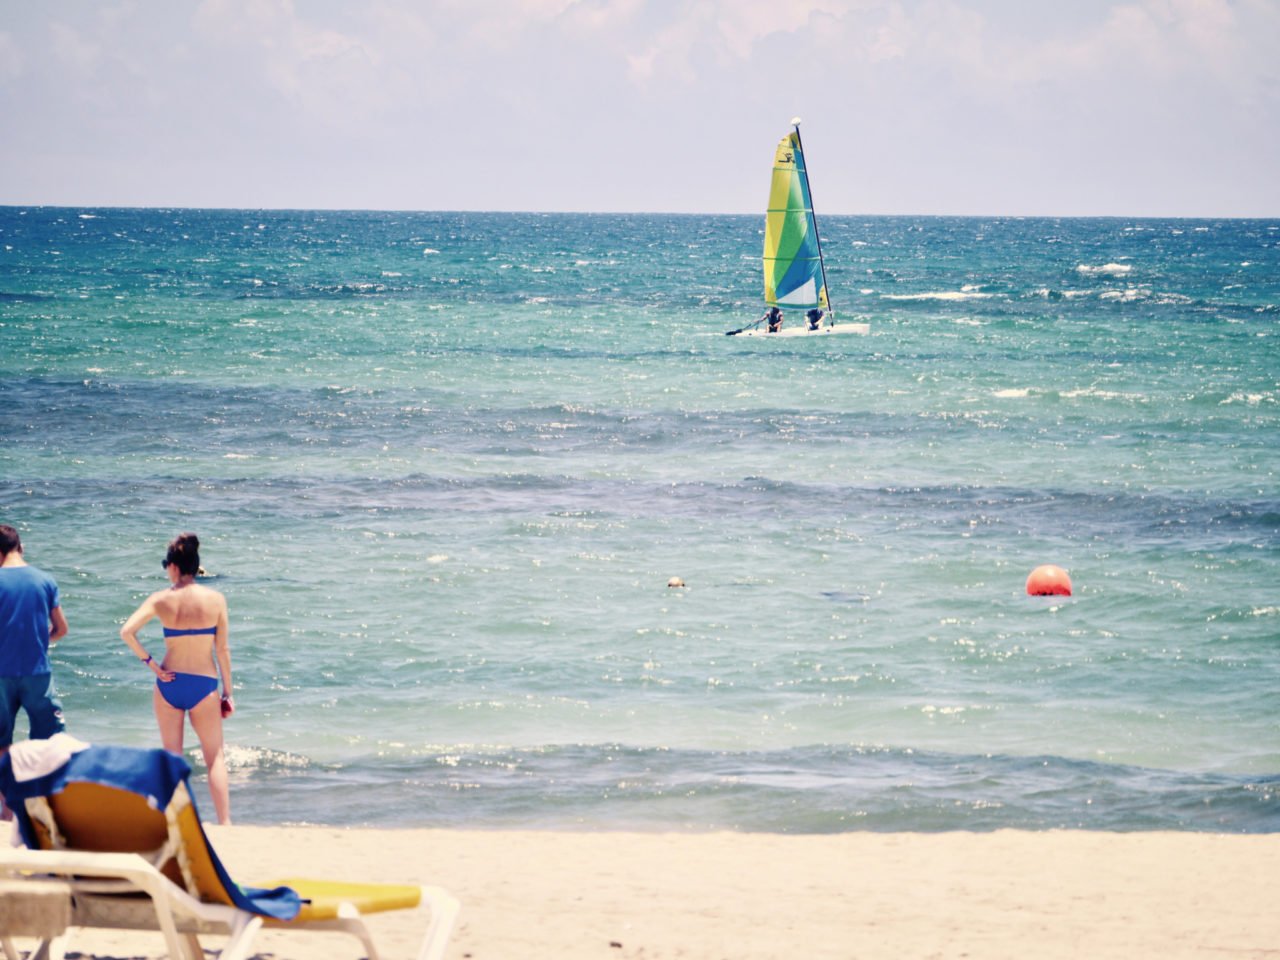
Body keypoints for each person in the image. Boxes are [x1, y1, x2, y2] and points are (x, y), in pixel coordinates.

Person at [121, 532, 235, 824]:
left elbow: (126, 632)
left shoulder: (160, 599)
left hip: (169, 684)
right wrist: (228, 693)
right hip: (204, 685)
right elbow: (222, 649)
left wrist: (152, 665)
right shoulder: (216, 599)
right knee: (215, 759)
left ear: (173, 566)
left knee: (173, 757)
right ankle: (225, 824)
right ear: (196, 567)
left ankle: (178, 822)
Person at [0, 526, 68, 783]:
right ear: (21, 547)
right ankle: (41, 796)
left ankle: (5, 808)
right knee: (48, 740)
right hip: (36, 671)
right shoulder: (44, 580)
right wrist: (39, 641)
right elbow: (61, 629)